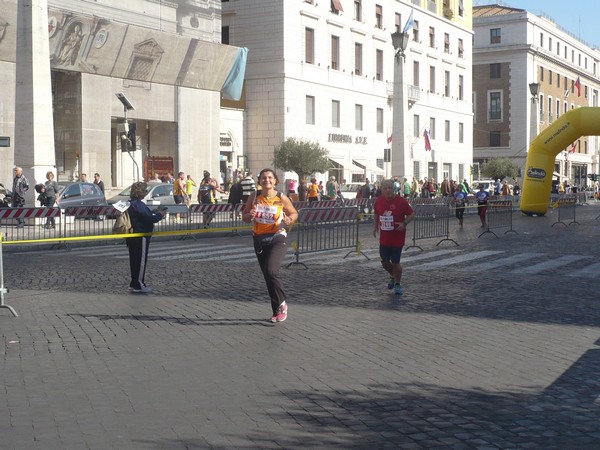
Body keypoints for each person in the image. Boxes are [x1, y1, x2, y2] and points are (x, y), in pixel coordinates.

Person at [242, 168, 298, 323]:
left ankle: (282, 304)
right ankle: (276, 310)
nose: (267, 180)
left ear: (275, 181)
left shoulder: (281, 197)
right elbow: (245, 217)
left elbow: (294, 213)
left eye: (270, 178)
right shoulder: (254, 197)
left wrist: (289, 220)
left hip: (277, 237)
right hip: (259, 239)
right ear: (259, 181)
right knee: (267, 275)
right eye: (264, 178)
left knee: (271, 270)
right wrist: (250, 215)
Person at [373, 179, 415, 296]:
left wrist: (404, 223)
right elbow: (376, 213)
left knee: (396, 262)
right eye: (385, 188)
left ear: (394, 189)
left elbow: (412, 214)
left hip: (397, 238)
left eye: (390, 188)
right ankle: (393, 275)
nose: (387, 190)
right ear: (382, 189)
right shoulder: (379, 201)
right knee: (385, 262)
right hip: (384, 238)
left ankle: (397, 283)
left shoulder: (401, 202)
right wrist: (375, 225)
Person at [126, 182, 166, 294]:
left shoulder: (130, 203)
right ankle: (139, 284)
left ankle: (134, 283)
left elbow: (144, 215)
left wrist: (152, 212)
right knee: (141, 261)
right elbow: (149, 218)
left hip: (132, 235)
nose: (145, 193)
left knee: (134, 260)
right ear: (140, 192)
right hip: (141, 234)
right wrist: (160, 215)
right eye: (144, 191)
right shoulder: (138, 204)